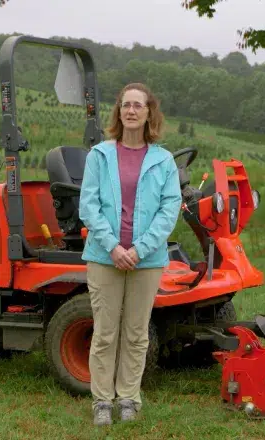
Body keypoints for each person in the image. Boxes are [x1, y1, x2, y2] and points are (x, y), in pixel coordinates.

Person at [78, 82, 181, 426]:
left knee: (137, 333)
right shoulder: (100, 155)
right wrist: (114, 247)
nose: (132, 111)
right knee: (105, 331)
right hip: (104, 256)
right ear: (118, 112)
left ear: (150, 112)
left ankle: (128, 398)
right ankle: (102, 401)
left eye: (138, 105)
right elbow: (88, 206)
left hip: (146, 260)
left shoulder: (163, 160)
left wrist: (138, 249)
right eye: (126, 105)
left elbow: (169, 209)